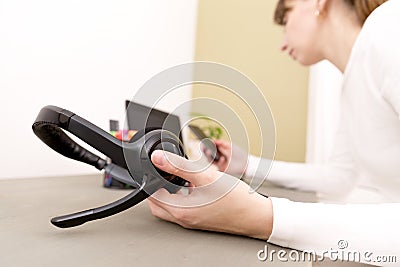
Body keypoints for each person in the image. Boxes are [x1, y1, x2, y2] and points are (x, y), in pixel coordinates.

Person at [148, 0, 400, 265]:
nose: (282, 43)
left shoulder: (389, 28)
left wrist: (260, 217)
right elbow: (340, 177)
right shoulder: (353, 82)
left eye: (285, 18)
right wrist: (248, 165)